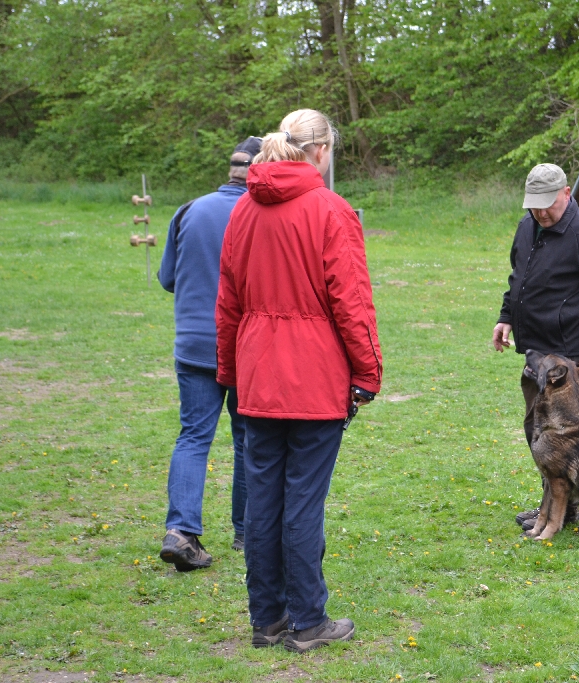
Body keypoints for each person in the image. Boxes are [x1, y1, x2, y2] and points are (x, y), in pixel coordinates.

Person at [216, 109, 383, 653]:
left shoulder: (243, 210)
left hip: (259, 376)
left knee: (263, 501)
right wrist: (368, 372)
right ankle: (308, 620)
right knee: (303, 502)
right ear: (322, 150)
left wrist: (230, 370)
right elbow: (352, 302)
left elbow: (228, 303)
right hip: (313, 378)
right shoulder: (330, 210)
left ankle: (267, 618)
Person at [493, 162, 579, 531]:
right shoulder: (528, 226)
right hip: (536, 350)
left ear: (566, 194)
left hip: (571, 354)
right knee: (536, 430)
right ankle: (555, 505)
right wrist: (506, 316)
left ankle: (564, 511)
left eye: (547, 205)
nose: (540, 213)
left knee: (564, 437)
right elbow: (519, 278)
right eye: (533, 205)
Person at [157, 136, 263, 572]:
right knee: (247, 439)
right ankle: (247, 532)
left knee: (193, 437)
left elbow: (167, 278)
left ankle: (181, 532)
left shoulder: (188, 210)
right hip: (244, 345)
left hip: (194, 344)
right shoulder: (261, 214)